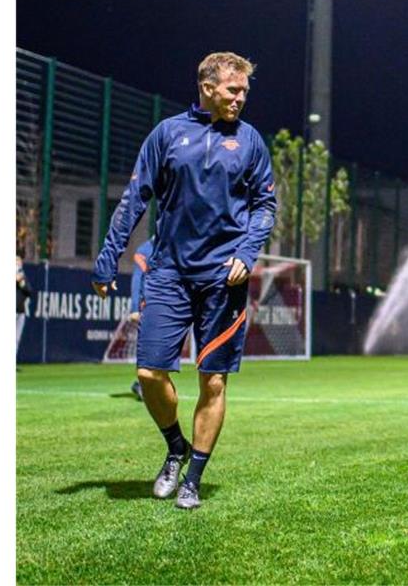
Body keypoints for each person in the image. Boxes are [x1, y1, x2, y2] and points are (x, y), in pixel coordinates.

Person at [91, 52, 276, 510]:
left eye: (245, 91)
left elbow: (264, 207)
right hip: (169, 274)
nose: (241, 98)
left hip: (223, 280)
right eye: (234, 90)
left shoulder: (251, 142)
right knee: (149, 373)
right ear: (208, 86)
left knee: (213, 382)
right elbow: (135, 199)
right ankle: (175, 447)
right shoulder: (167, 135)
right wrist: (108, 257)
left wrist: (246, 252)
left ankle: (192, 477)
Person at [128, 237, 155, 401]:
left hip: (170, 303)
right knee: (149, 345)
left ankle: (146, 384)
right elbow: (138, 279)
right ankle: (144, 384)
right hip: (150, 305)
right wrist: (134, 308)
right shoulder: (145, 250)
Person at [16, 256, 32, 355]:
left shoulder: (23, 277)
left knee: (16, 339)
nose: (18, 264)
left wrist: (21, 283)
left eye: (19, 262)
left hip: (21, 311)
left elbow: (29, 290)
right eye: (16, 262)